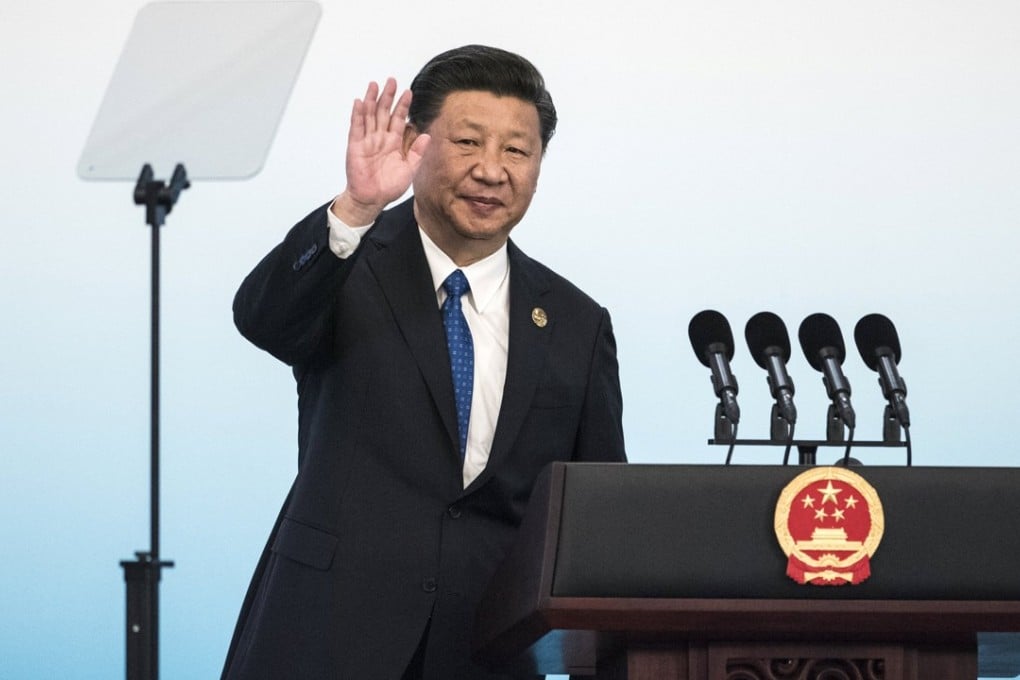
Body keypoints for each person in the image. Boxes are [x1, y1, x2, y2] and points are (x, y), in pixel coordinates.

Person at [222, 44, 626, 680]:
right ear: (416, 142)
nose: (491, 170)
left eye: (516, 151)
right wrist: (356, 209)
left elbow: (596, 513)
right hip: (325, 639)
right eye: (468, 142)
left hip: (487, 651)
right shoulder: (347, 265)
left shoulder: (577, 323)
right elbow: (262, 318)